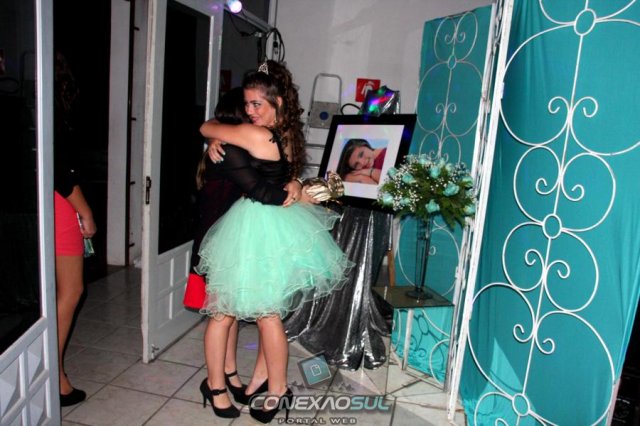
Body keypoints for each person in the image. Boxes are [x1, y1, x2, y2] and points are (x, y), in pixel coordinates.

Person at [197, 60, 352, 423]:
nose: (250, 111)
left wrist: (215, 135)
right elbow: (287, 176)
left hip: (255, 225)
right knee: (269, 315)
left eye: (257, 104)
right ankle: (271, 387)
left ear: (277, 102)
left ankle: (245, 387)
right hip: (277, 225)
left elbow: (205, 125)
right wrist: (295, 185)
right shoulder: (287, 133)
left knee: (241, 314)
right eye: (247, 104)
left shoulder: (257, 135)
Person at [182, 87, 250, 403]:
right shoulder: (227, 151)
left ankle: (229, 372)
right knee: (222, 314)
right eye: (250, 109)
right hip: (217, 245)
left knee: (229, 313)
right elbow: (259, 190)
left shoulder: (227, 146)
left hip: (224, 242)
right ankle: (214, 385)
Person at [53, 51, 96, 407]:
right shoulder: (49, 111)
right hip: (58, 202)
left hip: (38, 202)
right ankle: (53, 374)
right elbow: (62, 172)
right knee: (71, 290)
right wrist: (86, 213)